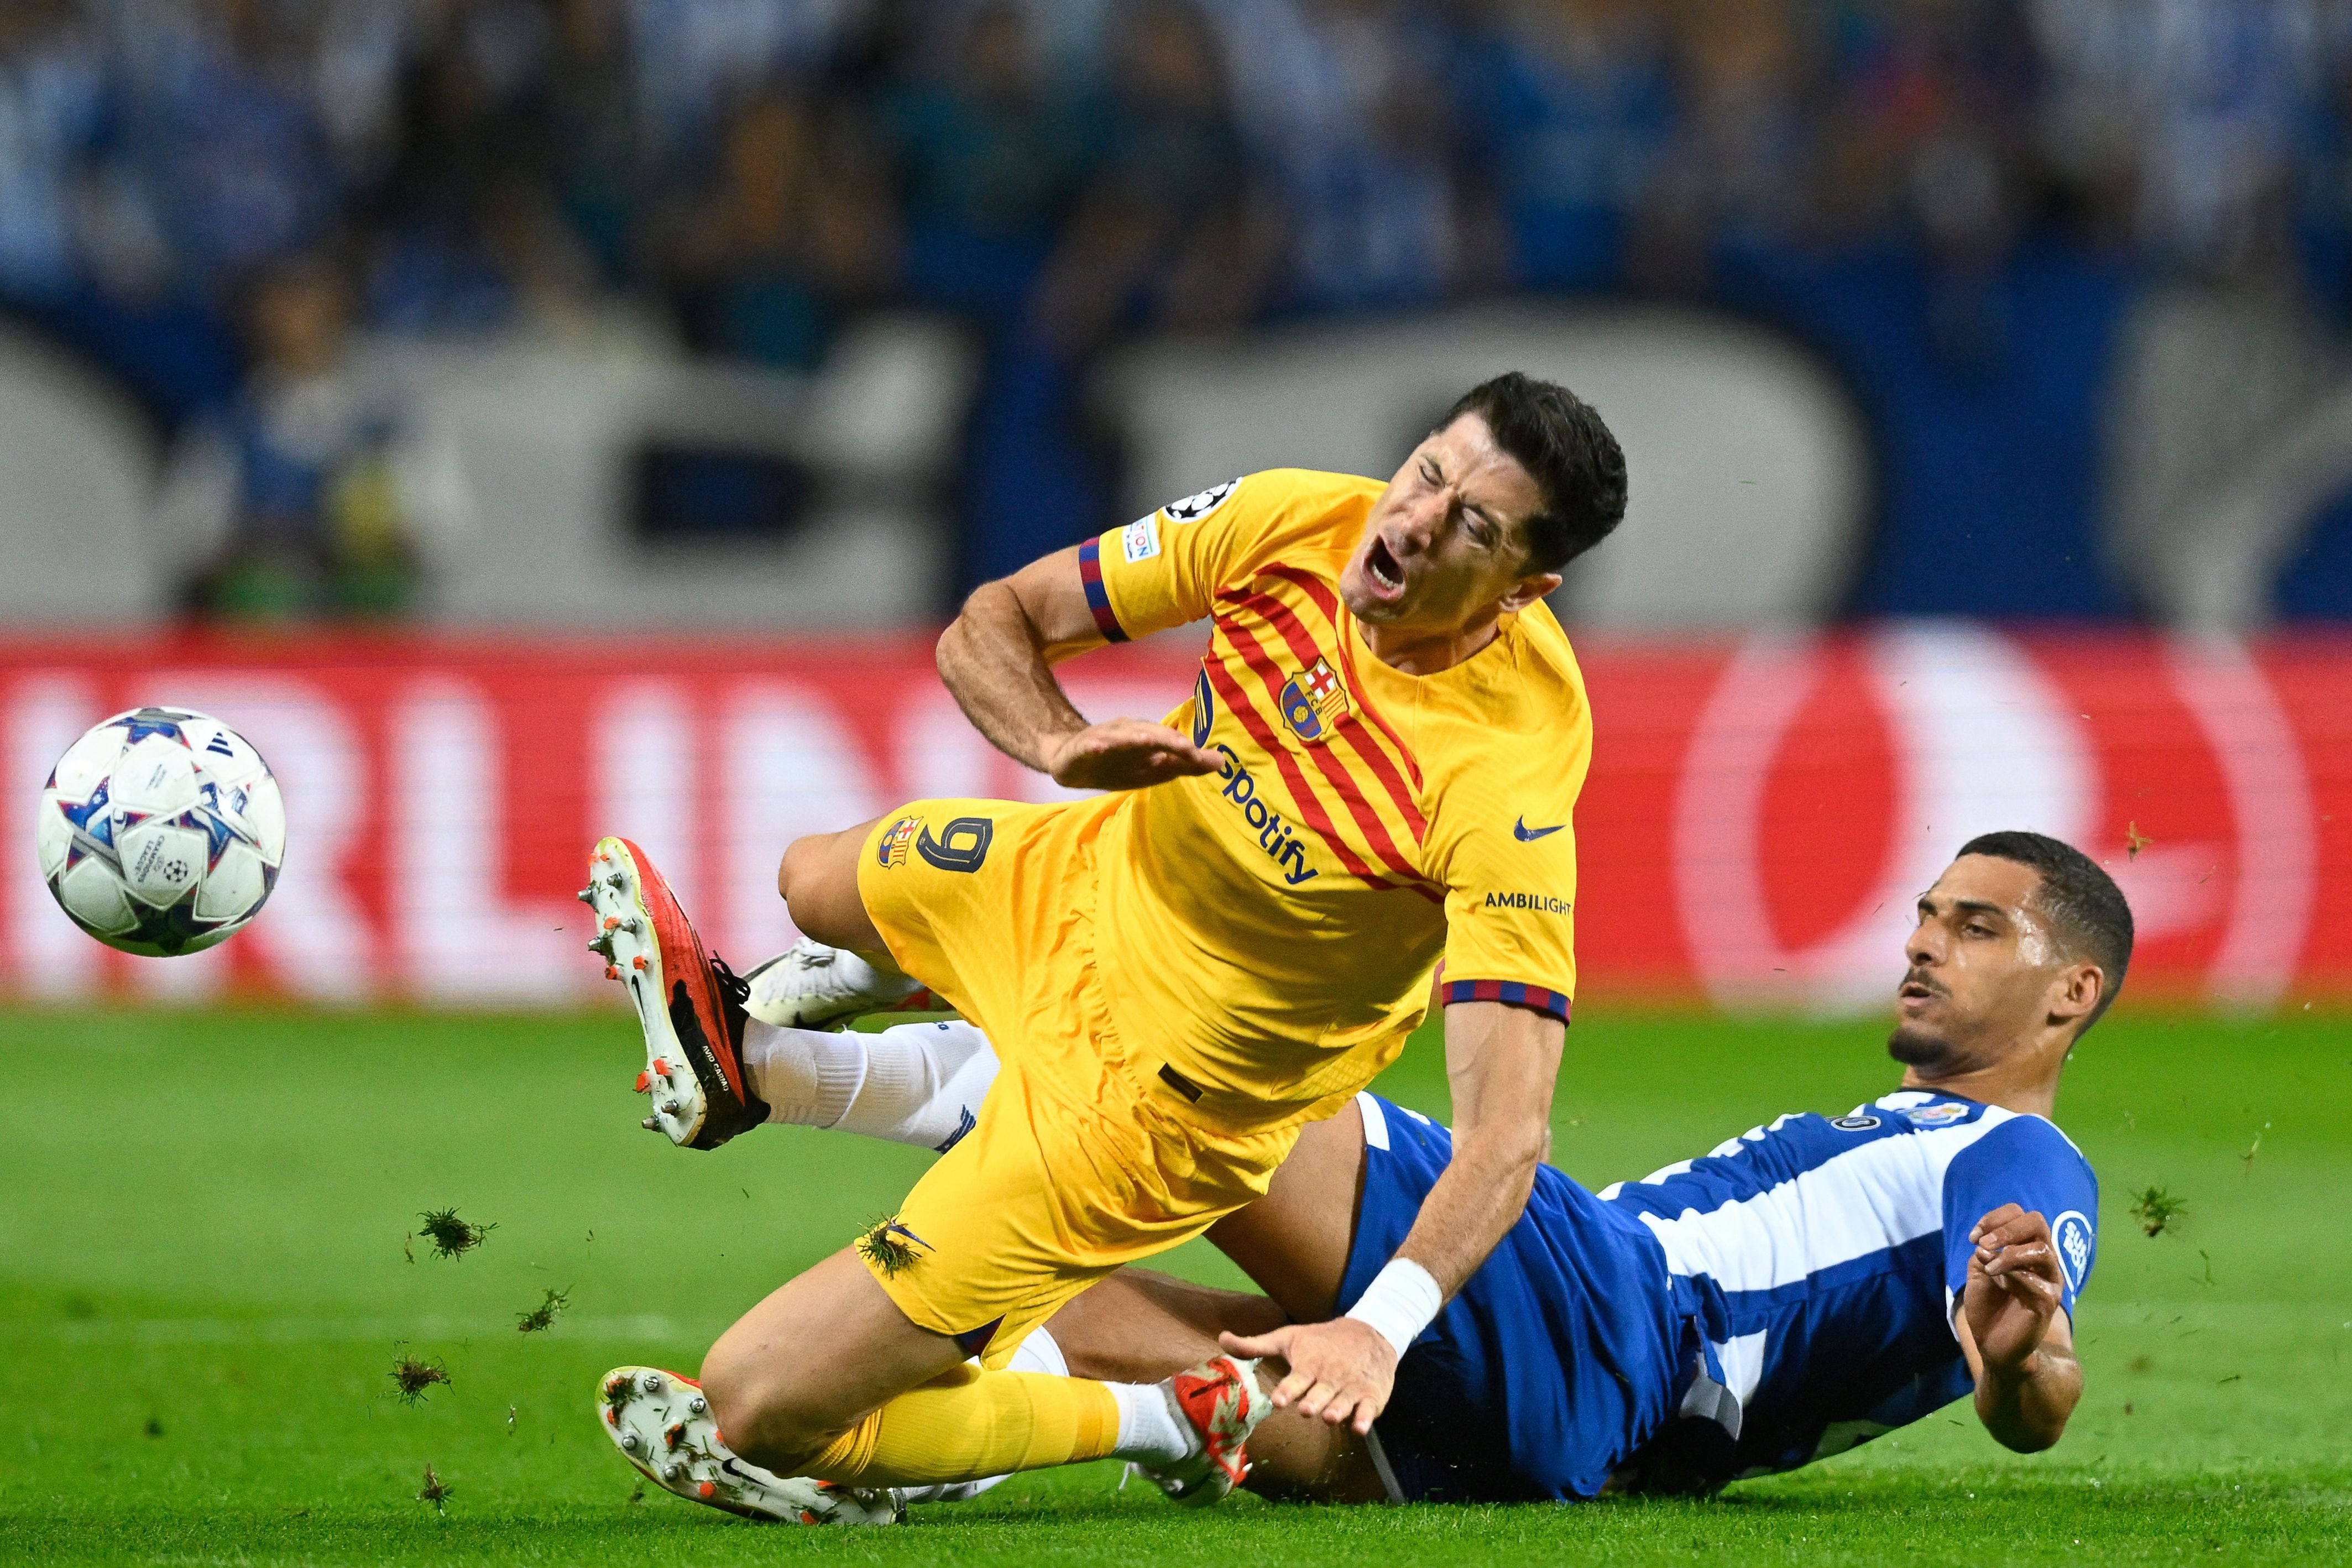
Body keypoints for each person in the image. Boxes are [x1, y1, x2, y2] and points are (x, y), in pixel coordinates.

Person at [580, 370, 1629, 1508]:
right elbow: (996, 620)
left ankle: (1171, 1418)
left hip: (1150, 1105)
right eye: (1429, 473)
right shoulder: (1290, 520)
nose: (1418, 519)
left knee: (759, 1401)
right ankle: (767, 1072)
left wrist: (1379, 1328)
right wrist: (1057, 739)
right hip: (1076, 881)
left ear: (1526, 588)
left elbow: (1508, 1135)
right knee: (809, 881)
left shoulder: (1500, 786)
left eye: (1474, 524)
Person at [597, 830, 2119, 1518]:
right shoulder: (1906, 1141)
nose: (1924, 936)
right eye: (1925, 908)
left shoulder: (2017, 1156)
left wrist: (2016, 1362)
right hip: (1573, 1439)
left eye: (1978, 926)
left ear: (2071, 998)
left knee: (1212, 1080)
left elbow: (2030, 1383)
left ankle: (772, 1072)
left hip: (1605, 1317)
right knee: (1081, 1284)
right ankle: (874, 1448)